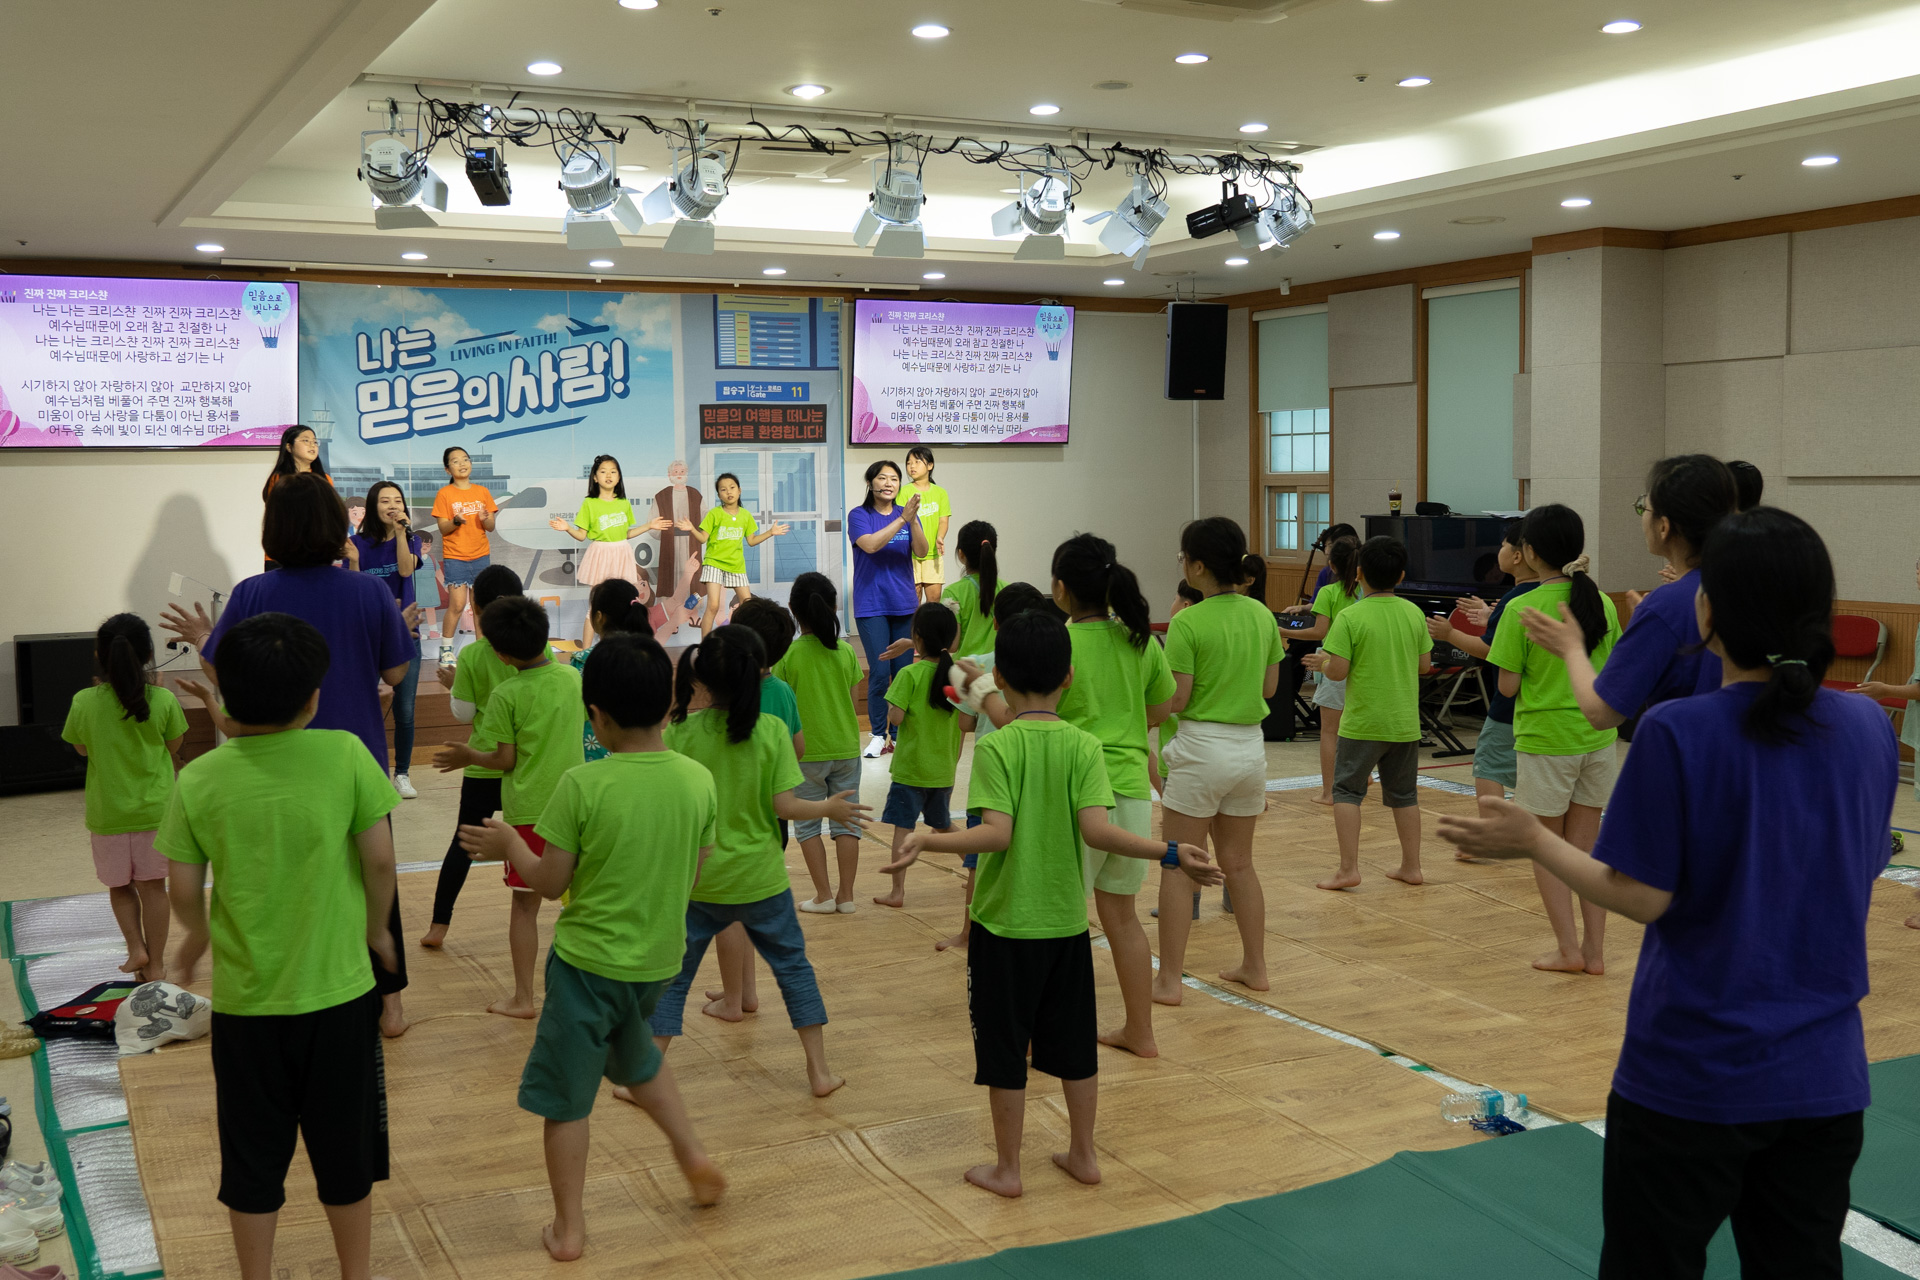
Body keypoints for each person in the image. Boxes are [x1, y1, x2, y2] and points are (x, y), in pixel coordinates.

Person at [1440, 507, 1898, 1280]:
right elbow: (1859, 863)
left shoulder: (1680, 731)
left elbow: (1644, 898)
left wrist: (1535, 841)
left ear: (1707, 611)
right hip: (1825, 1080)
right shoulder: (1865, 726)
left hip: (1692, 1075)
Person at [882, 611, 1220, 1199]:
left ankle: (1008, 1169)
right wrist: (1169, 852)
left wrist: (927, 840)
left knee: (1005, 1051)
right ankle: (1084, 1154)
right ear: (1068, 677)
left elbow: (996, 835)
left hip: (1004, 927)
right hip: (1066, 926)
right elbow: (1099, 831)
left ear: (1000, 679)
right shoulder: (1086, 746)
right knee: (1073, 1045)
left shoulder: (997, 748)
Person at [456, 634, 726, 1263]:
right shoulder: (697, 780)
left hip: (587, 969)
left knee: (566, 1100)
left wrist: (509, 844)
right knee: (637, 1057)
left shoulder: (582, 784)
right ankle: (690, 1153)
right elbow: (696, 868)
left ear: (596, 717)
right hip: (657, 962)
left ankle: (569, 1227)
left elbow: (549, 885)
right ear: (669, 705)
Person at [158, 612, 400, 1280]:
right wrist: (378, 928)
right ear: (313, 698)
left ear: (227, 698)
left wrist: (195, 935)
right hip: (341, 998)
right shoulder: (346, 753)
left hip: (246, 1007)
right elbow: (381, 860)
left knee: (251, 1158)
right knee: (345, 1154)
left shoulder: (199, 778)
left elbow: (183, 885)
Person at [163, 472, 415, 1038]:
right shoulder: (369, 592)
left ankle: (293, 984)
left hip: (267, 762)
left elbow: (225, 672)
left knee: (287, 876)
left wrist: (205, 639)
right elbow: (397, 673)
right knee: (373, 873)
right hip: (354, 761)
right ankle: (390, 1003)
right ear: (335, 527)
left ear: (272, 528)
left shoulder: (253, 592)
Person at [655, 626, 868, 1098]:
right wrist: (829, 808)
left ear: (702, 681)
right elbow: (785, 807)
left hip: (700, 879)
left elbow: (669, 798)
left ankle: (645, 1076)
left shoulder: (681, 733)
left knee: (673, 978)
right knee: (794, 970)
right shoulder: (770, 731)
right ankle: (819, 1072)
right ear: (757, 674)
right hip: (762, 879)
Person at [1050, 534, 1176, 1058]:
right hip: (1131, 795)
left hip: (1075, 794)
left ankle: (1046, 1036)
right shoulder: (1139, 640)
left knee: (1058, 919)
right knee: (1121, 917)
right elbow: (1162, 708)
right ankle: (1140, 1032)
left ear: (1060, 589)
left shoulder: (1059, 643)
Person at [433, 597, 585, 1019]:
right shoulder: (572, 677)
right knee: (582, 903)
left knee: (525, 905)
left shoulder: (506, 694)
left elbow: (505, 760)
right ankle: (586, 991)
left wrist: (469, 755)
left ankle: (523, 998)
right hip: (576, 806)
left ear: (500, 654)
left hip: (529, 812)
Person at [1486, 504, 1622, 976]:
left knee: (1547, 848)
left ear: (1528, 552)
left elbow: (1507, 687)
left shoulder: (1521, 607)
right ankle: (1595, 952)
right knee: (1587, 850)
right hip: (1597, 738)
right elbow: (1612, 669)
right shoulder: (1601, 601)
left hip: (1546, 740)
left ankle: (1568, 950)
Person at [1152, 518, 1284, 999]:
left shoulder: (1188, 621)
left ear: (1197, 566)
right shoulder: (1262, 616)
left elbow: (1179, 699)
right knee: (1240, 864)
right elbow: (1269, 688)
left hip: (1202, 748)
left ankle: (1169, 979)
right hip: (1249, 749)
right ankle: (1256, 967)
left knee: (1177, 865)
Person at [1527, 456, 1737, 737]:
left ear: (1664, 527)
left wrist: (1572, 649)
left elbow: (1602, 713)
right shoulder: (1749, 586)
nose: (1642, 518)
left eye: (1644, 508)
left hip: (1689, 754)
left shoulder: (1665, 605)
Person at [420, 565, 543, 949]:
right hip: (531, 766)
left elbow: (464, 714)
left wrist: (456, 686)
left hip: (484, 765)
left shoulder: (472, 654)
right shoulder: (540, 651)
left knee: (464, 844)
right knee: (540, 843)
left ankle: (439, 925)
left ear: (477, 608)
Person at [60, 613, 186, 983]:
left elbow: (81, 749)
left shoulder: (83, 701)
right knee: (154, 889)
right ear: (148, 654)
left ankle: (136, 949)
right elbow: (173, 746)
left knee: (120, 886)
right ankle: (156, 965)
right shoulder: (163, 699)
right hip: (156, 813)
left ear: (99, 655)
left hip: (108, 813)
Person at [1303, 536, 1432, 891]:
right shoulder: (1413, 612)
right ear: (1401, 576)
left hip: (1362, 723)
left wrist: (1323, 662)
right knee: (1404, 795)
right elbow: (1424, 666)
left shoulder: (1350, 616)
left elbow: (1337, 672)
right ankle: (1412, 866)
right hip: (1404, 724)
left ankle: (1348, 869)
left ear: (1358, 574)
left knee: (1346, 792)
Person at [703, 596, 804, 1022]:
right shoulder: (781, 692)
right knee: (743, 912)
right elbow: (798, 748)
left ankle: (734, 1000)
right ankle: (744, 992)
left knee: (729, 915)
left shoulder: (727, 696)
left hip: (732, 820)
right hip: (771, 822)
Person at [940, 580, 1053, 952]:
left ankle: (969, 933)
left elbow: (964, 723)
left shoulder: (981, 664)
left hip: (991, 774)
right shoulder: (1050, 668)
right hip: (1038, 769)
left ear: (996, 623)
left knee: (980, 861)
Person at [1427, 522, 1537, 831]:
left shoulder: (1514, 601)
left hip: (1510, 707)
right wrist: (1492, 617)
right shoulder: (1551, 594)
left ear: (1518, 556)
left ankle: (1492, 835)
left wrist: (1450, 634)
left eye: (1502, 545)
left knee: (1488, 765)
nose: (1498, 551)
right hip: (1543, 706)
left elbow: (1491, 651)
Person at [775, 572, 867, 915]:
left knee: (808, 825)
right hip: (846, 749)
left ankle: (824, 895)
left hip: (805, 754)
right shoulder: (846, 652)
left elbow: (784, 710)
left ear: (792, 609)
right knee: (848, 822)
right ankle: (846, 896)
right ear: (834, 606)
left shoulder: (788, 656)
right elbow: (853, 702)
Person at [875, 602, 974, 909]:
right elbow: (964, 722)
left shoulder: (909, 674)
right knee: (944, 826)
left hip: (911, 770)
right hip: (942, 770)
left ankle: (897, 892)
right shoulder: (956, 676)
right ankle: (977, 872)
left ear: (917, 637)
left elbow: (896, 718)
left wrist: (892, 704)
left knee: (903, 829)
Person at [548, 454, 671, 648]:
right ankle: (586, 653)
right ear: (595, 477)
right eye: (603, 471)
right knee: (595, 607)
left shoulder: (623, 503)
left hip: (622, 554)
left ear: (619, 477)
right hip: (600, 555)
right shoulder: (590, 503)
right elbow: (582, 536)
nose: (609, 475)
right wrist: (567, 528)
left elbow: (626, 534)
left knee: (625, 604)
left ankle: (622, 648)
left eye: (613, 472)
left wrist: (649, 525)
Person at [847, 459, 927, 757]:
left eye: (894, 478)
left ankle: (898, 734)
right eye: (882, 478)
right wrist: (902, 519)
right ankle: (878, 734)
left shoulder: (906, 515)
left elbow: (922, 551)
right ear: (871, 484)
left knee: (903, 673)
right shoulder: (859, 515)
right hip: (872, 605)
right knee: (880, 672)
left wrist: (912, 520)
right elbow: (870, 545)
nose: (889, 483)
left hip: (904, 604)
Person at [350, 480, 424, 798]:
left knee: (404, 710)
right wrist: (354, 560)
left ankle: (402, 774)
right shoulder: (357, 543)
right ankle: (365, 769)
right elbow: (353, 588)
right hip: (368, 636)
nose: (392, 506)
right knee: (364, 706)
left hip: (405, 634)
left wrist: (401, 534)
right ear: (372, 506)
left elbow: (405, 571)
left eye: (397, 500)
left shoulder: (412, 539)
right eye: (384, 501)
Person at [1283, 535, 1360, 805]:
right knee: (1357, 727)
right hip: (1363, 665)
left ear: (1332, 565)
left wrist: (1282, 630)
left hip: (1334, 662)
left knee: (1329, 731)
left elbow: (1319, 631)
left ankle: (1329, 792)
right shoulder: (1366, 593)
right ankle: (1362, 775)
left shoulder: (1328, 592)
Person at [680, 471, 789, 638]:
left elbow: (751, 541)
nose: (728, 492)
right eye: (723, 489)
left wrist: (770, 532)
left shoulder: (745, 516)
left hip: (736, 565)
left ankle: (752, 640)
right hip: (714, 563)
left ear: (739, 490)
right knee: (713, 606)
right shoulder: (714, 514)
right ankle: (705, 645)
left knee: (748, 605)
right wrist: (692, 529)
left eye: (732, 487)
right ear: (719, 495)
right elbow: (702, 539)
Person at [570, 579, 656, 764]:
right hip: (642, 759)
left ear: (599, 617)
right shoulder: (650, 657)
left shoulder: (582, 661)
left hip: (594, 759)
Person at [431, 446, 499, 663]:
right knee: (458, 605)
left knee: (480, 607)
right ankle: (446, 650)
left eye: (465, 459)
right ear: (447, 469)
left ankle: (481, 652)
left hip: (481, 556)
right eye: (455, 461)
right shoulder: (445, 494)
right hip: (456, 557)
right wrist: (456, 521)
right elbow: (443, 529)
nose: (462, 464)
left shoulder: (482, 492)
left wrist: (485, 519)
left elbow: (491, 527)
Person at [260, 426, 348, 571]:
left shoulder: (325, 479)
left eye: (315, 442)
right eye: (306, 441)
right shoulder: (278, 479)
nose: (312, 445)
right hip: (282, 552)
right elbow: (279, 518)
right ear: (289, 447)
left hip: (316, 551)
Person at [1147, 580, 1204, 799]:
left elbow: (1176, 700)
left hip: (1183, 747)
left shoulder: (1181, 626)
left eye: (1174, 599)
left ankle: (1167, 800)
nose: (1172, 605)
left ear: (1186, 605)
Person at [942, 520, 1004, 659]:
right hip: (998, 668)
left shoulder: (952, 593)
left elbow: (952, 645)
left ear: (961, 554)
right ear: (992, 550)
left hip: (965, 669)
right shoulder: (1007, 590)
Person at [653, 460, 704, 628]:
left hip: (691, 542)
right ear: (670, 475)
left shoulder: (695, 495)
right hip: (670, 543)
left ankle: (692, 614)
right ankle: (671, 618)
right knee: (672, 580)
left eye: (682, 471)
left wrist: (698, 532)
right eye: (675, 472)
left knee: (692, 579)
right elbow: (654, 523)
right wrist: (664, 532)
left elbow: (706, 519)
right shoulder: (661, 496)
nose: (679, 474)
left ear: (687, 474)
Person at [905, 445, 951, 604]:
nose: (912, 466)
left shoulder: (940, 492)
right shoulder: (904, 491)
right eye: (909, 463)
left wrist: (940, 537)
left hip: (933, 553)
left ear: (930, 465)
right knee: (913, 599)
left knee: (934, 599)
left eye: (917, 462)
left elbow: (943, 520)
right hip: (910, 555)